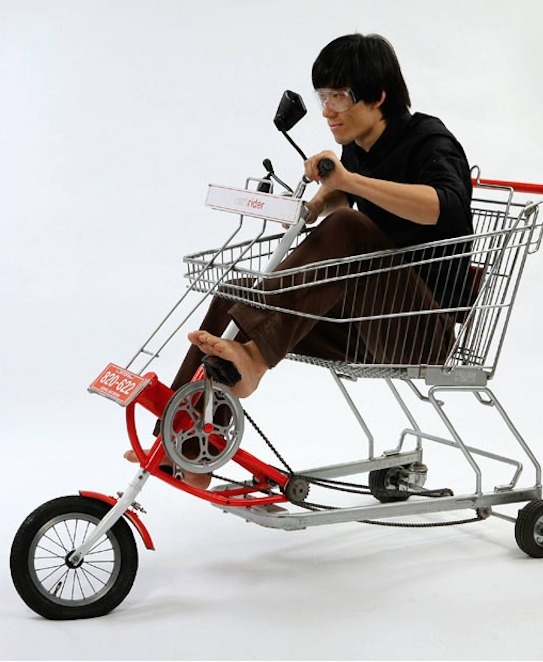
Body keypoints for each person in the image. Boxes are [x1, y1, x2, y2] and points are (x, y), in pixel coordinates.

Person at [125, 33, 474, 487]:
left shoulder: (429, 139)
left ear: (378, 97)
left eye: (339, 97)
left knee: (349, 227)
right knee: (235, 294)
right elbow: (346, 207)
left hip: (418, 330)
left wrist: (350, 183)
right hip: (362, 323)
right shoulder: (358, 150)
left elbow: (443, 205)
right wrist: (313, 203)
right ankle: (181, 449)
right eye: (322, 97)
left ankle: (253, 359)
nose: (327, 110)